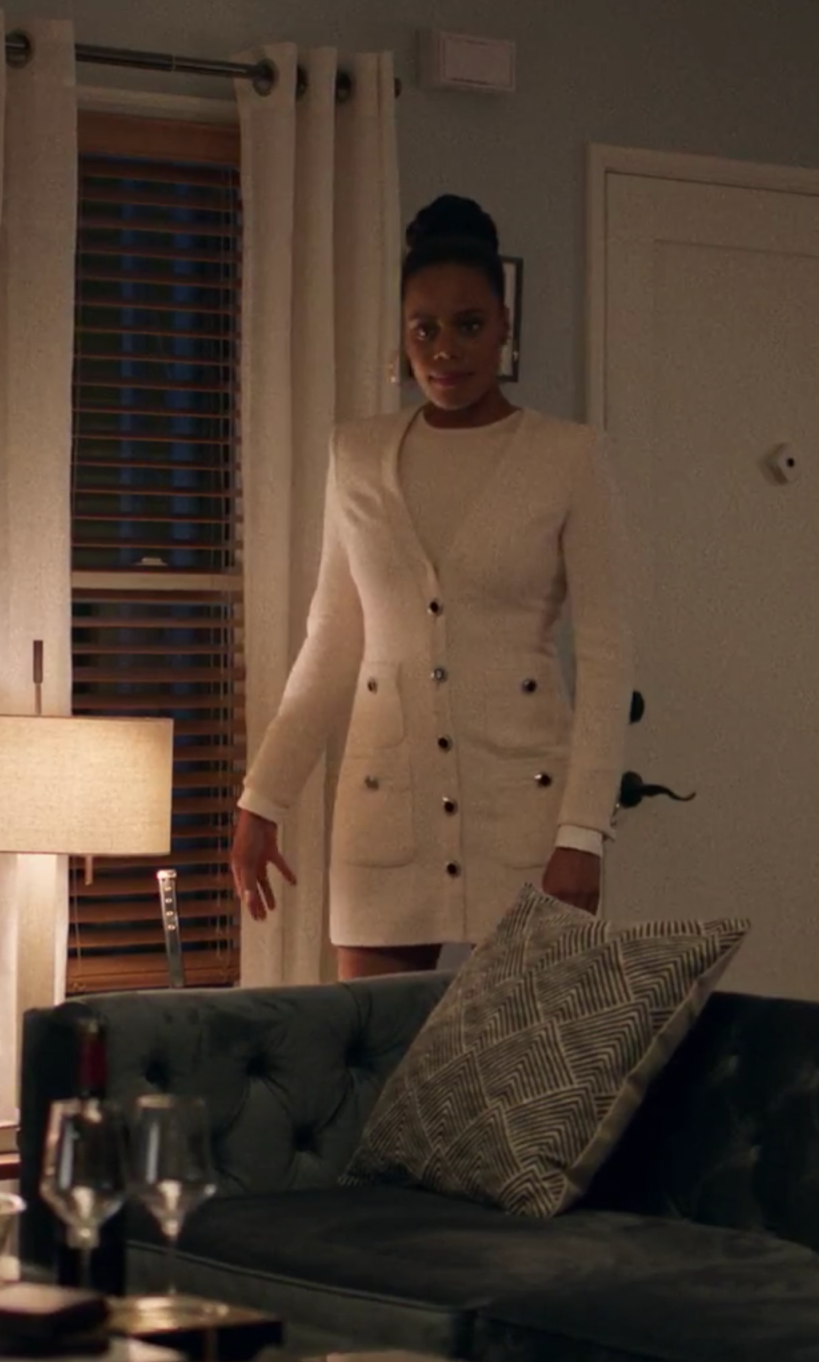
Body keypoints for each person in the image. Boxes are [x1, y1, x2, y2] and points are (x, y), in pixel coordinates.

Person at [228, 195, 633, 981]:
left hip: (527, 810)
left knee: (519, 1052)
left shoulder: (570, 458)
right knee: (375, 1048)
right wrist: (262, 798)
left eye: (469, 325)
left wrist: (583, 833)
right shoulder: (355, 455)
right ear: (403, 335)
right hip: (387, 807)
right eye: (425, 329)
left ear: (504, 325)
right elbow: (331, 644)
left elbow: (609, 659)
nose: (445, 350)